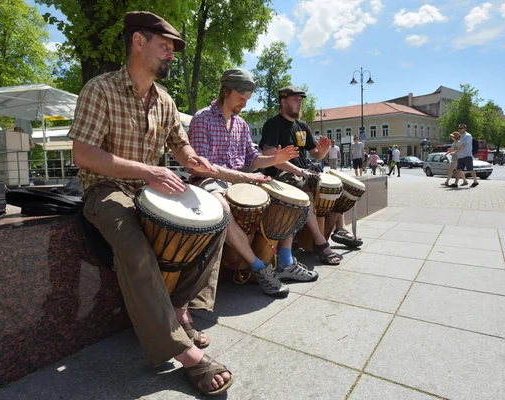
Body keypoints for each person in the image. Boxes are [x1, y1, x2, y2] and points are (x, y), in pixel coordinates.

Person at [67, 12, 232, 396]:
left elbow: (180, 144)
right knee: (133, 241)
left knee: (216, 218)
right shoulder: (100, 89)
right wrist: (147, 171)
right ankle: (183, 353)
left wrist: (193, 159)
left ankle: (177, 309)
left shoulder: (165, 101)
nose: (171, 55)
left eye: (173, 49)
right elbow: (83, 153)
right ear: (138, 43)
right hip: (105, 190)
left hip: (148, 189)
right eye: (165, 46)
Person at [188, 68, 317, 298]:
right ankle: (258, 267)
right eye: (241, 98)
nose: (244, 105)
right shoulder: (202, 118)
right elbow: (201, 166)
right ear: (225, 91)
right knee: (222, 208)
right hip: (210, 179)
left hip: (241, 179)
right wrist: (246, 177)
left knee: (288, 198)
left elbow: (251, 159)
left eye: (247, 100)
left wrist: (274, 160)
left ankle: (285, 262)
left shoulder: (241, 124)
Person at [259, 86, 342, 265]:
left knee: (337, 185)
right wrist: (301, 172)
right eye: (295, 100)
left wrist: (323, 150)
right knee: (303, 189)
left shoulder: (302, 126)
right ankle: (320, 242)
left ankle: (339, 230)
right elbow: (270, 157)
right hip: (281, 175)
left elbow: (315, 154)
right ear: (283, 101)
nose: (299, 104)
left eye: (300, 100)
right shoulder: (273, 124)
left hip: (302, 173)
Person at [449, 123, 479, 188]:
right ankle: (455, 183)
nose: (459, 129)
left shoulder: (467, 136)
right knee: (459, 170)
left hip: (467, 155)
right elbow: (459, 146)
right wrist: (453, 150)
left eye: (461, 128)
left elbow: (463, 146)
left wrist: (455, 152)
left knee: (471, 170)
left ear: (465, 129)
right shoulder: (460, 136)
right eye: (459, 128)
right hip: (460, 156)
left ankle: (475, 181)